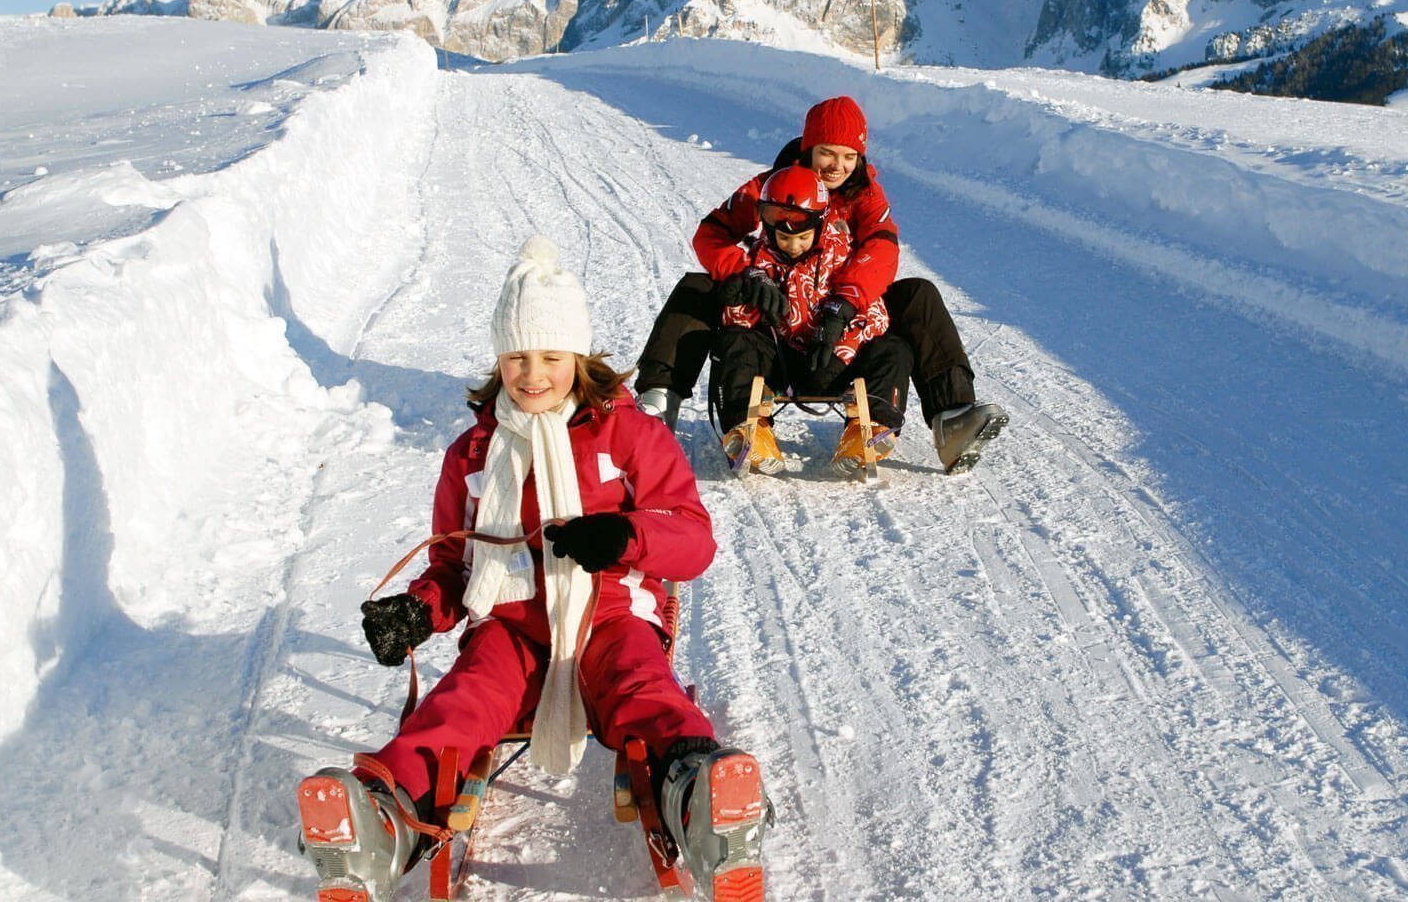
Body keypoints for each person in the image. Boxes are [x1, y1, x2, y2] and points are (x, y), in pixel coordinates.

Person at [296, 236, 767, 902]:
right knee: (461, 702)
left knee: (642, 688)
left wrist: (625, 536)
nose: (533, 373)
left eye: (551, 356)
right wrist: (418, 611)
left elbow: (694, 541)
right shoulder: (474, 453)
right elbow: (453, 566)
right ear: (498, 359)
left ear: (579, 357)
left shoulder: (628, 435)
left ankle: (701, 800)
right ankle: (383, 815)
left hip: (608, 616)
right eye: (517, 356)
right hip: (510, 625)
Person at [633, 95, 1007, 474]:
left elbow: (882, 248)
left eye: (849, 156)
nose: (838, 166)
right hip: (776, 319)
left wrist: (844, 302)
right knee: (699, 287)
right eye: (828, 153)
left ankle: (953, 415)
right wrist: (745, 274)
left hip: (841, 314)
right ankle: (657, 404)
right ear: (809, 147)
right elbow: (711, 232)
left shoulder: (864, 195)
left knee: (918, 295)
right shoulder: (771, 188)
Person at [711, 164, 911, 477]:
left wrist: (839, 333)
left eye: (802, 238)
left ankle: (869, 429)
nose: (792, 246)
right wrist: (742, 297)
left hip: (836, 360)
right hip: (780, 364)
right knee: (734, 340)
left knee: (894, 348)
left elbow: (875, 313)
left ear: (818, 226)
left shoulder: (843, 257)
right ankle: (748, 429)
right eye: (782, 237)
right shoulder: (757, 264)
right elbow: (736, 322)